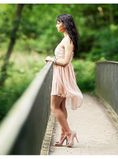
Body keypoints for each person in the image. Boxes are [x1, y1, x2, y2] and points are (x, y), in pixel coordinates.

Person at [45, 14, 83, 147]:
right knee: (61, 106)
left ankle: (69, 132)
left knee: (54, 107)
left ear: (64, 24)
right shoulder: (66, 39)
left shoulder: (68, 40)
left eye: (58, 23)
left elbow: (66, 61)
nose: (56, 25)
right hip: (61, 74)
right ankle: (63, 135)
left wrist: (52, 59)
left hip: (62, 75)